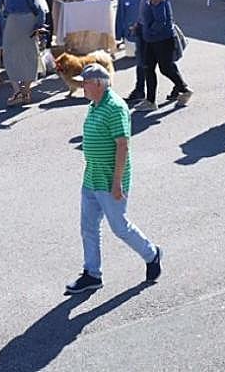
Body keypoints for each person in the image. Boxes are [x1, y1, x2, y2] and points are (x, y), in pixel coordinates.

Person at [65, 58, 162, 296]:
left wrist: (117, 182)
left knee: (120, 227)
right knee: (88, 227)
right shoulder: (95, 104)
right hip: (92, 178)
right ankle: (92, 274)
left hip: (109, 180)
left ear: (99, 83)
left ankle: (151, 254)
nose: (82, 87)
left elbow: (123, 145)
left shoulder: (115, 107)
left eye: (85, 83)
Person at [135, 0, 193, 111]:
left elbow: (162, 21)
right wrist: (139, 26)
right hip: (150, 39)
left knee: (166, 68)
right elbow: (145, 15)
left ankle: (184, 89)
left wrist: (149, 30)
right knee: (148, 68)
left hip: (161, 39)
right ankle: (150, 101)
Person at [125, 0, 173, 107]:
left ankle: (180, 86)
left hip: (154, 30)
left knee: (163, 64)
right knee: (145, 62)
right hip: (144, 25)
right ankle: (141, 91)